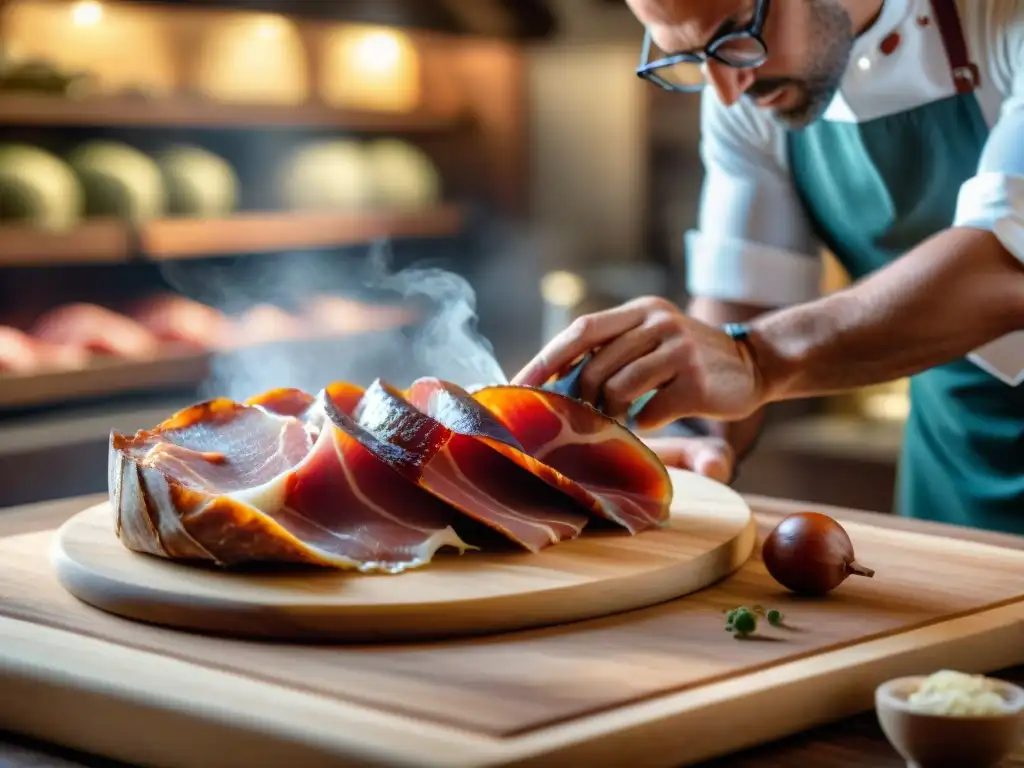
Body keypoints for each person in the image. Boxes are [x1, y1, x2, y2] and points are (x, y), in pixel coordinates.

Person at [514, 0, 1024, 534]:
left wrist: (755, 361)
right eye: (688, 57)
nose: (729, 88)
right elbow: (742, 302)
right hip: (952, 465)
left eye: (737, 33)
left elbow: (1005, 263)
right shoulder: (745, 96)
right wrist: (690, 435)